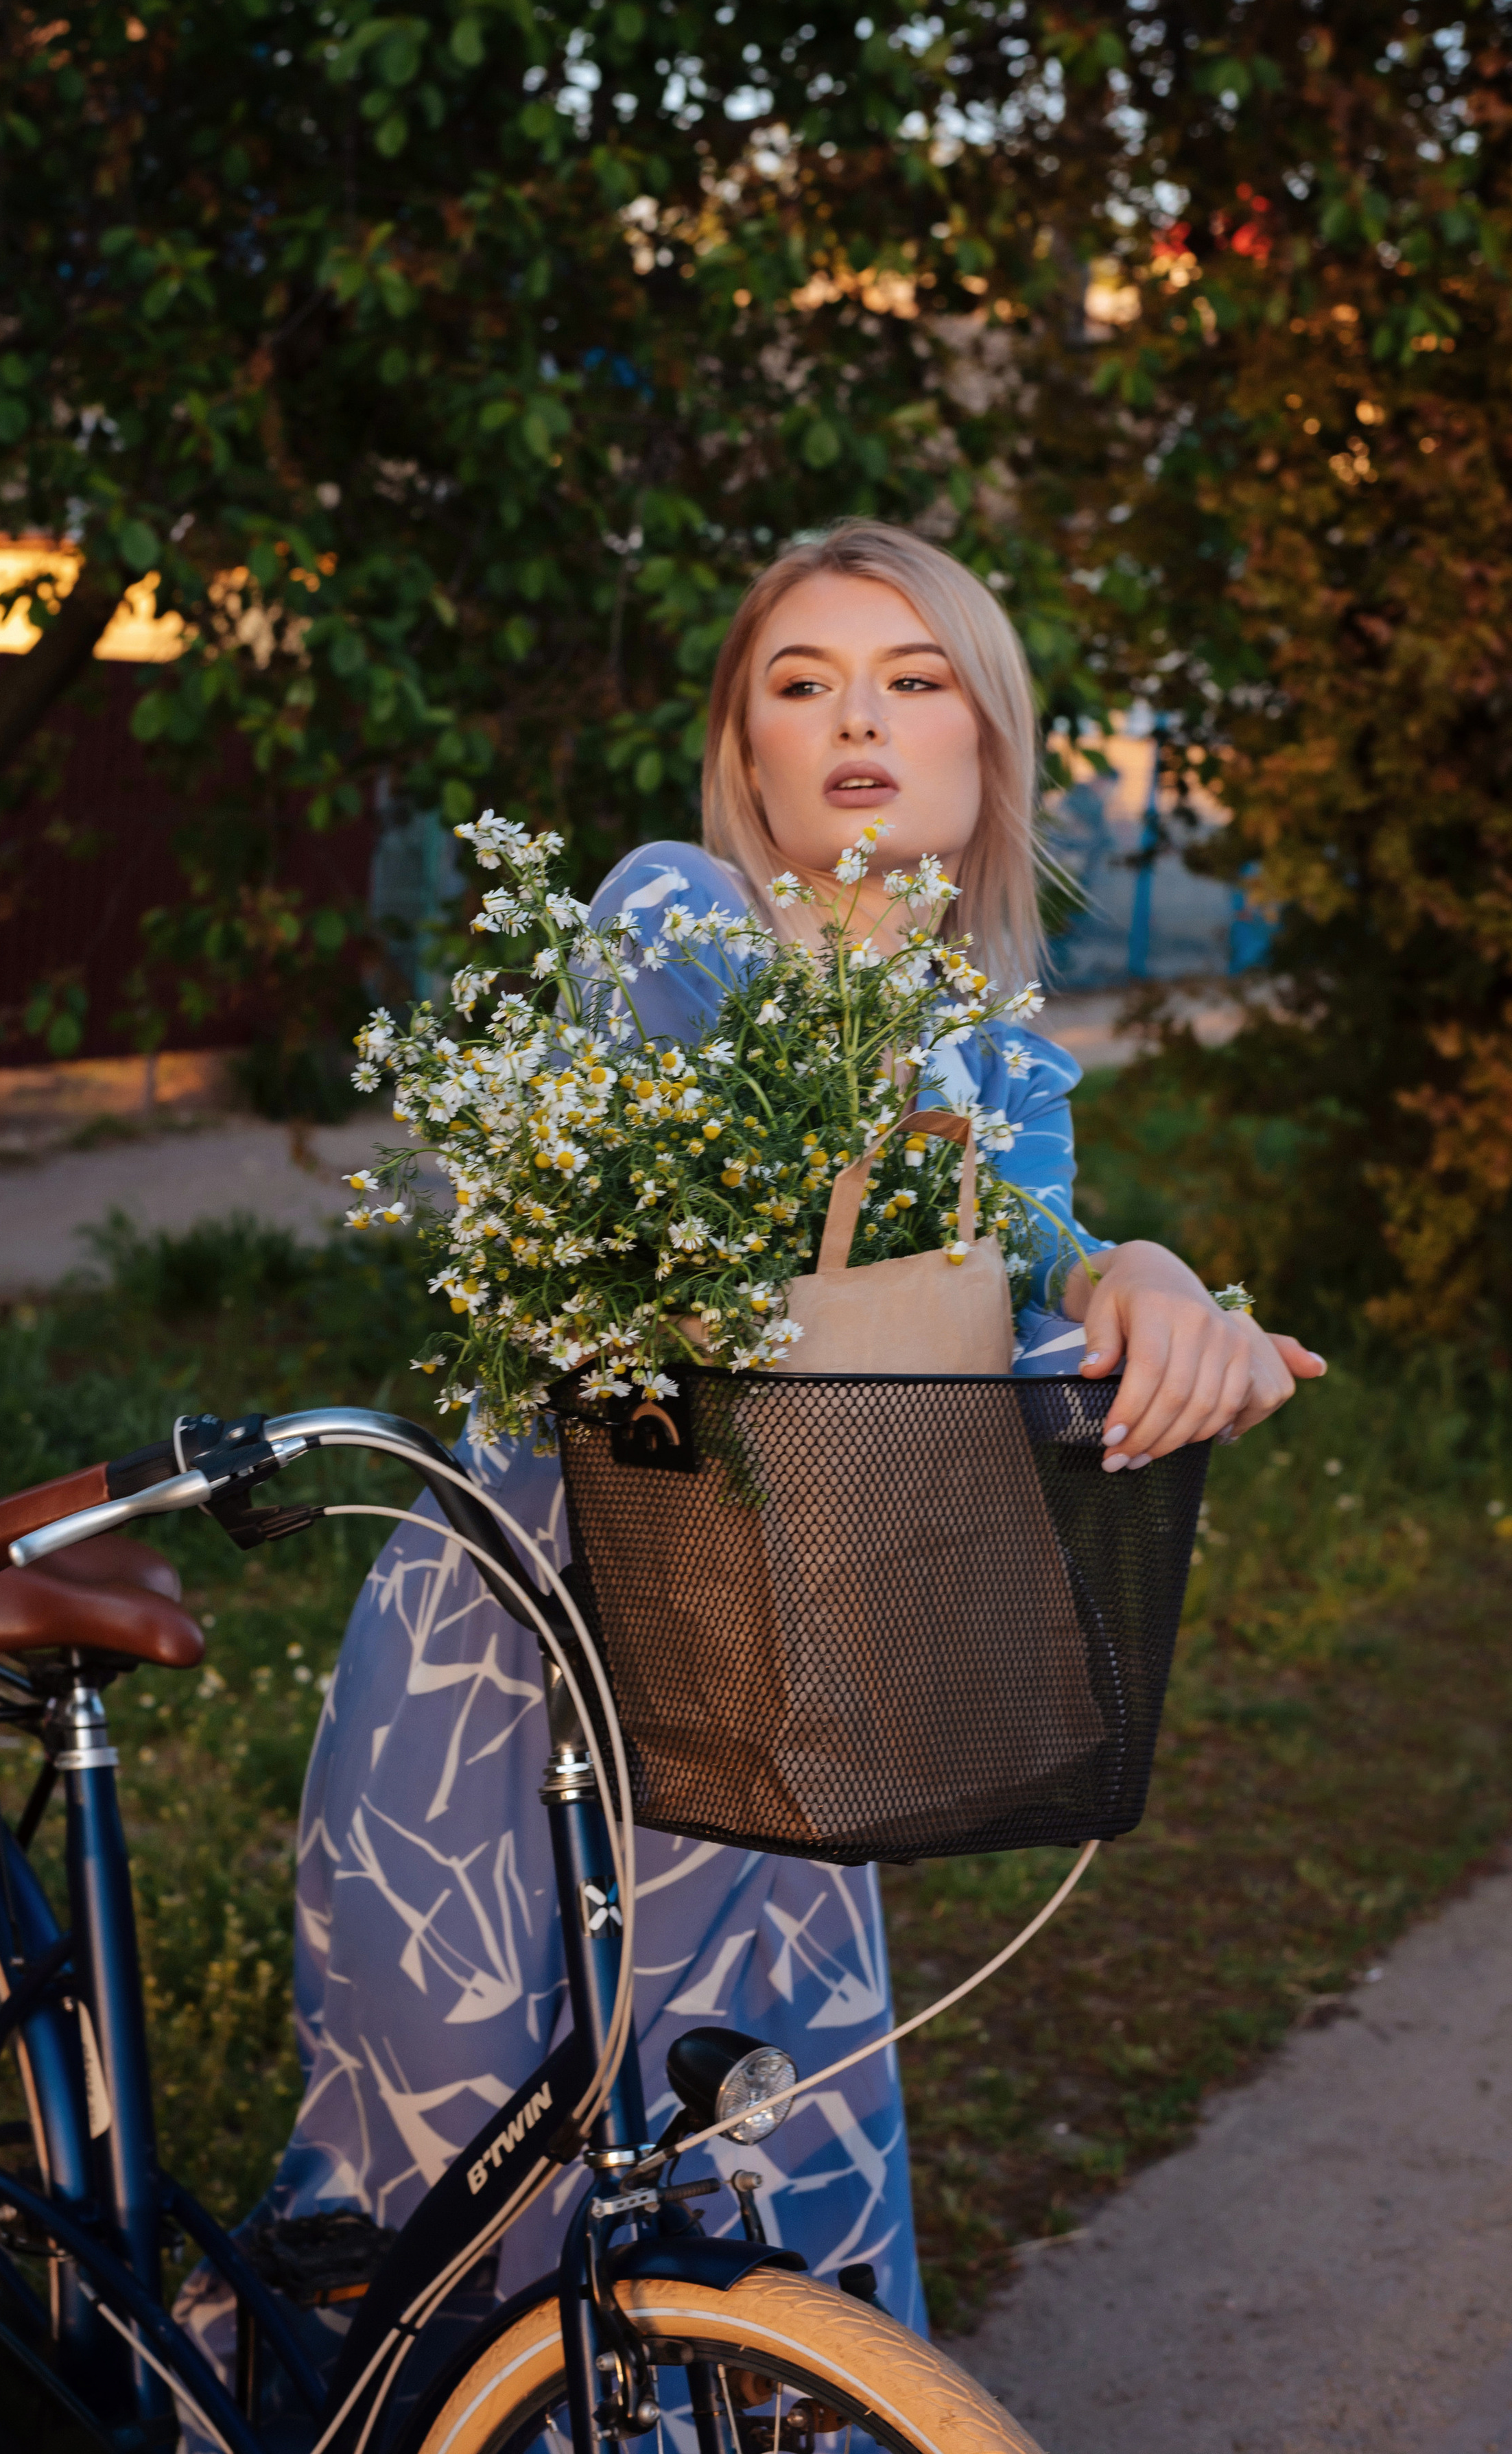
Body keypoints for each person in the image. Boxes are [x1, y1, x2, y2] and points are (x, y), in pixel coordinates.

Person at [180, 521, 1324, 2394]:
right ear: (750, 753)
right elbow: (797, 1269)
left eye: (913, 678)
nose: (856, 718)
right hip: (520, 1686)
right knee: (442, 2208)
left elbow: (1018, 1274)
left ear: (986, 752)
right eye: (803, 684)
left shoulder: (994, 1065)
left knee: (766, 2215)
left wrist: (1155, 1279)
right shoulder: (674, 928)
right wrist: (1056, 1271)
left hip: (773, 1711)